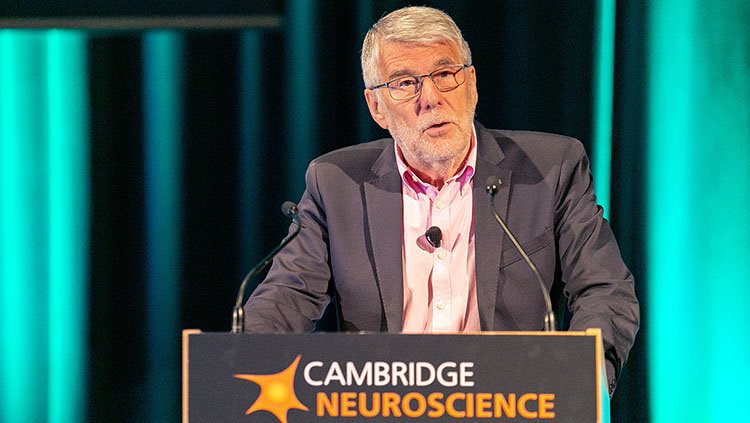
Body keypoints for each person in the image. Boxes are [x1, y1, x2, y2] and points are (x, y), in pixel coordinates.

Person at [244, 6, 639, 396]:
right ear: (376, 107)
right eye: (404, 83)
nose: (430, 98)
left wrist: (578, 385)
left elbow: (603, 289)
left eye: (445, 74)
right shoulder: (336, 183)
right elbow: (286, 298)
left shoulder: (551, 170)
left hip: (512, 406)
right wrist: (247, 372)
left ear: (472, 83)